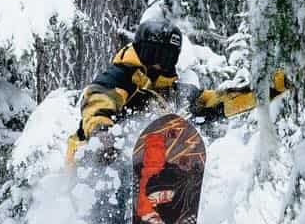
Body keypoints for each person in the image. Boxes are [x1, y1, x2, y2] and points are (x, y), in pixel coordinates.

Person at [65, 11, 288, 168]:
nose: (159, 64)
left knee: (170, 147)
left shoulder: (176, 96)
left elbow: (221, 101)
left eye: (167, 57)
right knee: (123, 158)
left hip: (144, 171)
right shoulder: (121, 76)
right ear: (141, 50)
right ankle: (123, 222)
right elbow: (99, 101)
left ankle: (169, 215)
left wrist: (275, 85)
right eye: (154, 54)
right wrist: (102, 132)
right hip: (93, 167)